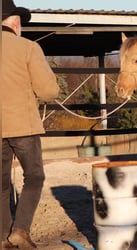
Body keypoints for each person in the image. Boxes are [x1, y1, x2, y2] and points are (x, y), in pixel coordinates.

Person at [1, 0, 60, 248]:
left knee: (1, 184)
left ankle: (2, 237)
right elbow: (48, 91)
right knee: (34, 177)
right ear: (15, 23)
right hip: (23, 125)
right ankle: (21, 230)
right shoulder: (28, 47)